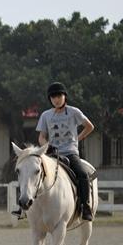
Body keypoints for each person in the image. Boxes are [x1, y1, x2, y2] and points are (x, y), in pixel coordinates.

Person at [37, 82, 95, 221]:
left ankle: (85, 207)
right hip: (52, 154)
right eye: (53, 97)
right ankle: (25, 207)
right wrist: (47, 146)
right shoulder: (46, 115)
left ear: (64, 97)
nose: (56, 99)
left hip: (70, 152)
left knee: (82, 173)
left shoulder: (74, 112)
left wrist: (77, 139)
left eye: (58, 96)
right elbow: (41, 137)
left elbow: (90, 126)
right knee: (32, 172)